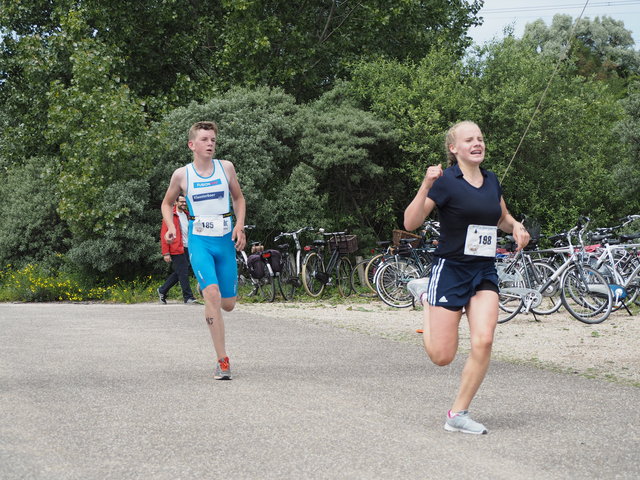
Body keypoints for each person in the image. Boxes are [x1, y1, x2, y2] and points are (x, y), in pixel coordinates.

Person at [404, 121, 529, 434]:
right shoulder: (445, 181)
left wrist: (515, 226)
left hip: (483, 271)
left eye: (480, 139)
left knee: (484, 340)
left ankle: (458, 413)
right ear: (453, 148)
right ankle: (424, 296)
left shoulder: (492, 181)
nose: (477, 143)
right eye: (469, 140)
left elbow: (500, 217)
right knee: (442, 356)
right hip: (450, 270)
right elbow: (410, 222)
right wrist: (425, 184)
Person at [161, 121, 246, 380]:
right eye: (205, 139)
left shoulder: (226, 168)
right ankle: (222, 361)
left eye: (213, 140)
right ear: (192, 145)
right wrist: (170, 228)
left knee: (228, 304)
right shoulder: (182, 175)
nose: (210, 143)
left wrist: (239, 226)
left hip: (224, 240)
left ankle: (207, 286)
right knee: (212, 295)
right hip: (200, 241)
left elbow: (239, 199)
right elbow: (166, 204)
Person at [157, 195, 197, 305]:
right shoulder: (170, 216)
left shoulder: (187, 215)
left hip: (188, 248)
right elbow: (164, 234)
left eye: (185, 202)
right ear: (175, 202)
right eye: (181, 202)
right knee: (183, 272)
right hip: (176, 248)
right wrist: (166, 253)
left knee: (180, 271)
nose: (184, 204)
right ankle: (188, 297)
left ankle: (162, 290)